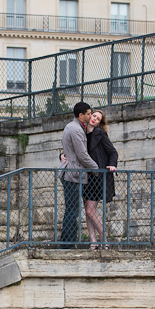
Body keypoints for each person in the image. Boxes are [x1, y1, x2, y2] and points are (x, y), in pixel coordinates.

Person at [60, 102, 98, 248]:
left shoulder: (73, 127)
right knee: (72, 210)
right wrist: (97, 169)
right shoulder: (76, 129)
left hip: (72, 173)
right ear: (81, 115)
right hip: (73, 175)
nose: (90, 116)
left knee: (71, 210)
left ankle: (67, 244)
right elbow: (82, 154)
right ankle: (67, 245)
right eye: (89, 113)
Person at [84, 110, 119, 249]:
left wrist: (112, 165)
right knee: (87, 210)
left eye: (98, 119)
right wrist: (62, 155)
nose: (94, 119)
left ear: (99, 122)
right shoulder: (81, 131)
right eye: (93, 116)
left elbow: (113, 152)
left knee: (90, 211)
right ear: (89, 116)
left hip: (98, 176)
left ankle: (104, 240)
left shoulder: (100, 133)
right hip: (85, 175)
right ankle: (93, 241)